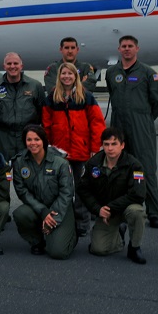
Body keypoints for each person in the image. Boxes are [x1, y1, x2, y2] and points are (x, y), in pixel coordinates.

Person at [105, 35, 158, 228]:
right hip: (118, 126)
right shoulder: (112, 72)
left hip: (141, 127)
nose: (127, 49)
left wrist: (145, 119)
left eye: (130, 46)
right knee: (119, 168)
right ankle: (122, 209)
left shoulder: (148, 73)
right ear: (119, 49)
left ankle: (154, 212)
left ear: (137, 49)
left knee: (146, 168)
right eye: (123, 46)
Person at [41, 62, 106, 237]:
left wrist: (94, 148)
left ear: (75, 77)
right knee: (61, 189)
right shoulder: (52, 98)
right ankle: (62, 221)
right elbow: (46, 126)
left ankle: (82, 224)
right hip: (59, 154)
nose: (67, 77)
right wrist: (47, 149)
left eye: (70, 74)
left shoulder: (86, 96)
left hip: (81, 152)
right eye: (63, 74)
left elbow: (97, 124)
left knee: (81, 188)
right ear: (59, 76)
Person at [76, 127, 147, 264]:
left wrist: (110, 207)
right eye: (106, 144)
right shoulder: (93, 163)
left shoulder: (134, 165)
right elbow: (83, 189)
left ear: (122, 145)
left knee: (137, 212)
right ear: (102, 145)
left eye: (114, 144)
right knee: (98, 250)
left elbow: (138, 195)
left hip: (125, 208)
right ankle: (119, 236)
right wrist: (98, 209)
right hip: (105, 212)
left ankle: (134, 247)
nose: (110, 148)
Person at [11, 125, 77, 260]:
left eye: (37, 139)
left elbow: (66, 193)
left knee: (58, 253)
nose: (33, 143)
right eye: (29, 140)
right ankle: (37, 241)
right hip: (38, 207)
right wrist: (43, 212)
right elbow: (22, 191)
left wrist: (52, 218)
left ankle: (70, 236)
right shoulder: (19, 162)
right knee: (20, 214)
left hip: (60, 208)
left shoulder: (60, 162)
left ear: (44, 141)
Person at [0, 52, 45, 158]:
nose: (12, 66)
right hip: (2, 138)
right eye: (9, 64)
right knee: (4, 170)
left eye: (15, 63)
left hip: (27, 137)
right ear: (4, 66)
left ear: (21, 66)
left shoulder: (35, 86)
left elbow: (42, 112)